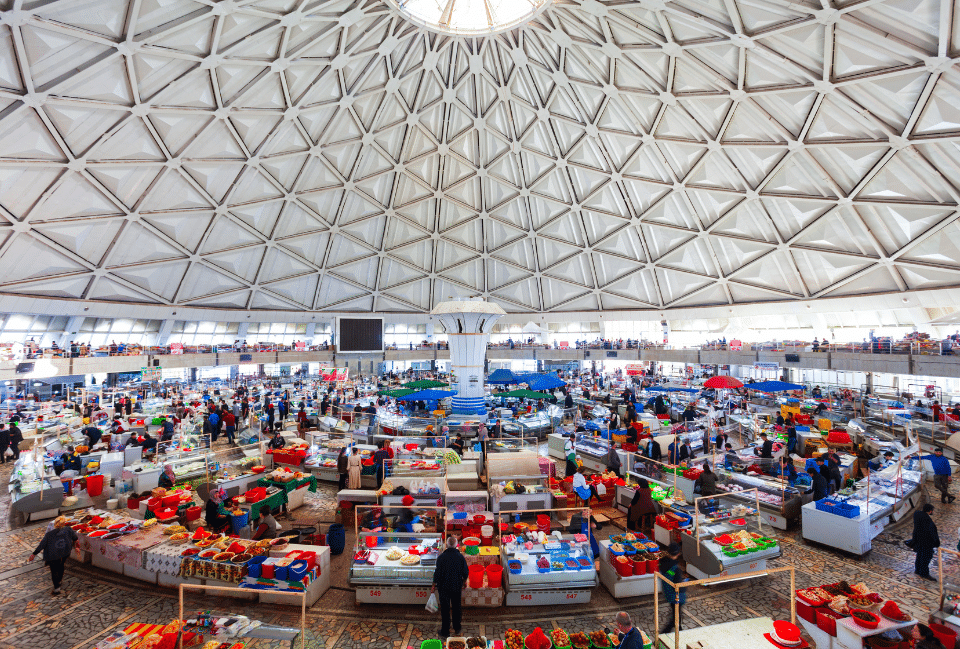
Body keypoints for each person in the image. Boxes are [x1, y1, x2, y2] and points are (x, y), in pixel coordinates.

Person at [28, 516, 78, 595]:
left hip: (52, 554)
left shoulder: (49, 534)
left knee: (54, 570)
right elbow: (75, 538)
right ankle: (59, 580)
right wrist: (77, 547)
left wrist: (34, 554)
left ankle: (57, 588)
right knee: (61, 565)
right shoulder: (69, 529)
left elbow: (42, 545)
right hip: (64, 552)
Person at [431, 536, 468, 639]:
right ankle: (457, 628)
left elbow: (437, 573)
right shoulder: (460, 557)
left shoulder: (441, 557)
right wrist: (464, 581)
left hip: (443, 587)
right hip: (456, 586)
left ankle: (445, 631)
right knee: (456, 607)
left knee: (445, 609)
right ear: (456, 545)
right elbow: (465, 572)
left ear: (446, 545)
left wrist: (433, 585)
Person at [658, 543, 687, 633]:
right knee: (675, 617)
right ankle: (663, 634)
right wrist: (685, 584)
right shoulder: (676, 568)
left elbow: (668, 576)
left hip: (667, 592)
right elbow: (677, 584)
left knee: (676, 614)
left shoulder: (662, 562)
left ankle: (679, 629)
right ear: (678, 554)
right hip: (676, 596)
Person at [907, 503, 940, 580]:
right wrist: (936, 543)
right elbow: (932, 533)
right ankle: (924, 573)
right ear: (930, 511)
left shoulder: (918, 516)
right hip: (927, 543)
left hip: (919, 541)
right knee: (925, 558)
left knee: (919, 556)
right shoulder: (927, 521)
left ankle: (918, 570)